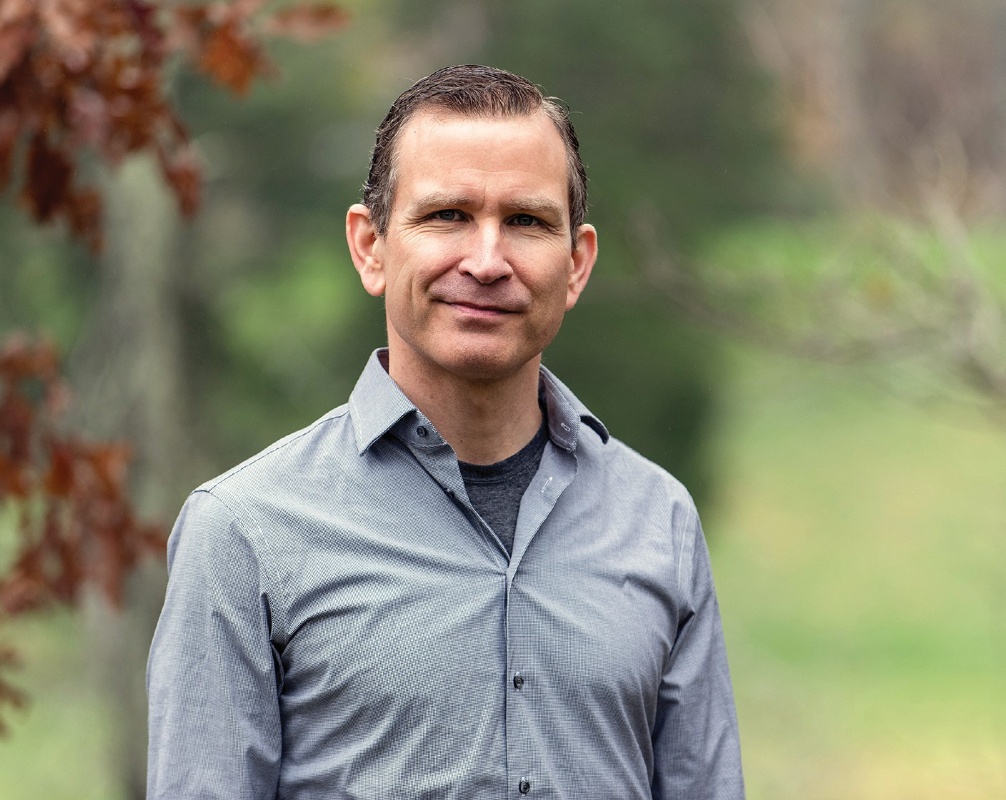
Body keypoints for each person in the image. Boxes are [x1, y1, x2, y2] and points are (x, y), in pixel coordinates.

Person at [146, 64, 743, 800]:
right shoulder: (244, 534)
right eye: (447, 215)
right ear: (371, 246)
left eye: (526, 221)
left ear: (577, 263)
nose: (487, 262)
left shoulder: (659, 520)